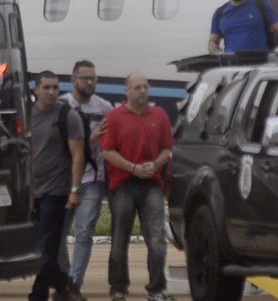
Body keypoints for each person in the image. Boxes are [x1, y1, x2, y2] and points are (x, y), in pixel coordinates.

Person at [100, 73, 176, 301]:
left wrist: (156, 164)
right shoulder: (114, 117)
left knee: (156, 239)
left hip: (152, 185)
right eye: (137, 87)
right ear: (127, 91)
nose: (142, 91)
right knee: (119, 240)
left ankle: (157, 288)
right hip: (122, 185)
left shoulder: (160, 115)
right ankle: (119, 289)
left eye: (145, 87)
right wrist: (132, 168)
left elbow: (167, 149)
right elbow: (107, 151)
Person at [55, 61, 113, 301]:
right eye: (85, 78)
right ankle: (64, 279)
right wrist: (91, 137)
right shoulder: (62, 106)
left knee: (84, 232)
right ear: (73, 80)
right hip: (63, 180)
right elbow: (58, 145)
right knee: (57, 234)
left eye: (93, 78)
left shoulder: (105, 107)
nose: (89, 82)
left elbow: (112, 143)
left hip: (92, 179)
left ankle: (75, 284)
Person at [28, 71, 85, 301]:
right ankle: (63, 283)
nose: (52, 92)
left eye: (55, 87)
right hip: (31, 191)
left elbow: (78, 154)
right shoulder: (27, 115)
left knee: (48, 244)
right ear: (36, 90)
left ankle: (37, 295)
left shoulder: (67, 115)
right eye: (46, 88)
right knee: (37, 245)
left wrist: (75, 189)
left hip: (57, 189)